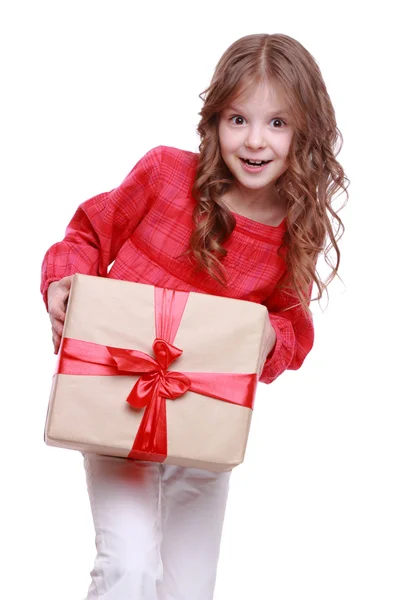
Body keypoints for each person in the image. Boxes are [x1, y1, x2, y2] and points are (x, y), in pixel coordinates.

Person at [41, 33, 348, 600]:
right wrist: (62, 283)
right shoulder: (164, 175)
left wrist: (267, 339)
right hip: (115, 403)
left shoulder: (293, 227)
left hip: (204, 424)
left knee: (188, 589)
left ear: (305, 131)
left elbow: (291, 328)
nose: (255, 141)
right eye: (238, 119)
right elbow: (86, 234)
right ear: (214, 122)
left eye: (278, 123)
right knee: (128, 567)